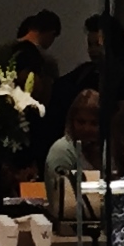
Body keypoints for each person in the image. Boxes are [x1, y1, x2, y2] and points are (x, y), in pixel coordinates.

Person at [41, 82, 105, 219]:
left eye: (94, 123)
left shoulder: (108, 149)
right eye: (81, 122)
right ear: (71, 121)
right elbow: (65, 204)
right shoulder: (62, 151)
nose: (87, 129)